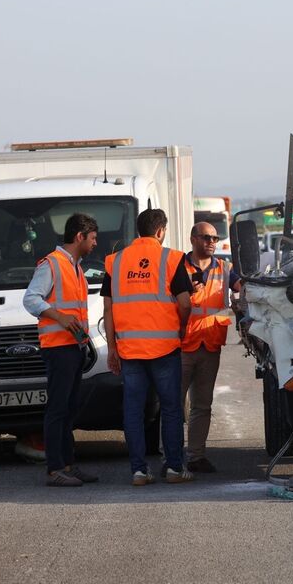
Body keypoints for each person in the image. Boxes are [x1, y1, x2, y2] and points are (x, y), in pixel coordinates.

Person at [102, 208, 195, 485]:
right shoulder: (171, 258)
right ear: (160, 231)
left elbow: (108, 309)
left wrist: (111, 348)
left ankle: (139, 471)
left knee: (133, 410)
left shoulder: (115, 262)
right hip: (165, 347)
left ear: (139, 230)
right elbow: (186, 303)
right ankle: (175, 468)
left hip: (129, 349)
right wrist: (180, 326)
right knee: (170, 408)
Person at [22, 213, 100, 487]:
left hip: (73, 348)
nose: (95, 244)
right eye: (92, 238)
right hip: (59, 349)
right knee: (57, 409)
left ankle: (67, 464)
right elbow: (30, 299)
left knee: (68, 409)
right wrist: (59, 316)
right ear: (79, 236)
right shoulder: (52, 264)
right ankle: (55, 469)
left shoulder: (75, 266)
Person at [181, 222, 241, 473]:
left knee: (202, 405)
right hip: (182, 345)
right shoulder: (177, 267)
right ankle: (170, 458)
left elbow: (243, 288)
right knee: (173, 405)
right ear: (193, 239)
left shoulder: (225, 269)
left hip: (210, 344)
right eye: (206, 237)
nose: (212, 242)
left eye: (215, 238)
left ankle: (196, 456)